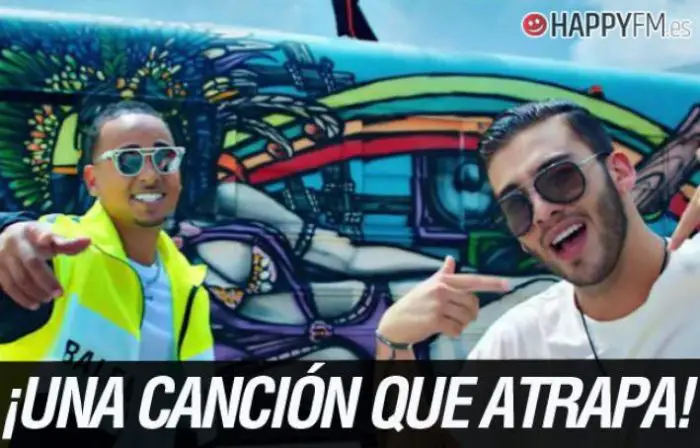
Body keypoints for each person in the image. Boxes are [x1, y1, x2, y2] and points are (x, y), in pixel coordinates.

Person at [375, 99, 700, 361]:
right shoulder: (516, 346)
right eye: (517, 206)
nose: (542, 212)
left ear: (620, 173)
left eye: (560, 177)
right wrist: (393, 343)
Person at [0, 99, 214, 363]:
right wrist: (6, 229)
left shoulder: (188, 284)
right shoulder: (56, 255)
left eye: (164, 158)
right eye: (128, 160)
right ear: (92, 181)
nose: (150, 176)